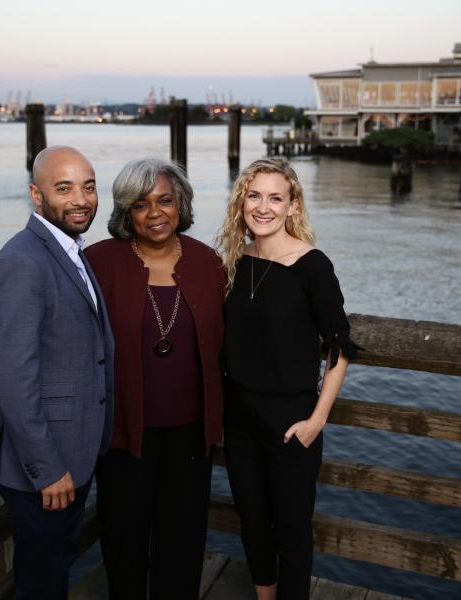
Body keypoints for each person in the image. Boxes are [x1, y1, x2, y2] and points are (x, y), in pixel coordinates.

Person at [216, 158, 357, 600]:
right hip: (239, 419)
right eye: (254, 196)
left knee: (292, 532)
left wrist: (316, 422)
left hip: (291, 421)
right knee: (253, 520)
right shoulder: (236, 261)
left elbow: (338, 350)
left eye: (275, 198)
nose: (263, 207)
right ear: (242, 203)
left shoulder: (312, 266)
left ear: (293, 205)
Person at [85, 158, 226, 599]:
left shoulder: (208, 263)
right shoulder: (98, 263)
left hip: (190, 433)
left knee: (182, 542)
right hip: (125, 433)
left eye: (165, 200)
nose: (155, 213)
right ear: (126, 212)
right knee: (124, 540)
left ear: (181, 203)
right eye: (141, 204)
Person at [0, 146, 114, 599]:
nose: (81, 199)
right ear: (37, 196)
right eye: (64, 188)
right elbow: (13, 379)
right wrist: (47, 468)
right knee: (41, 583)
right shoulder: (23, 261)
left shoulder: (70, 250)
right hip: (44, 469)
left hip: (72, 453)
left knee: (56, 570)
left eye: (89, 186)